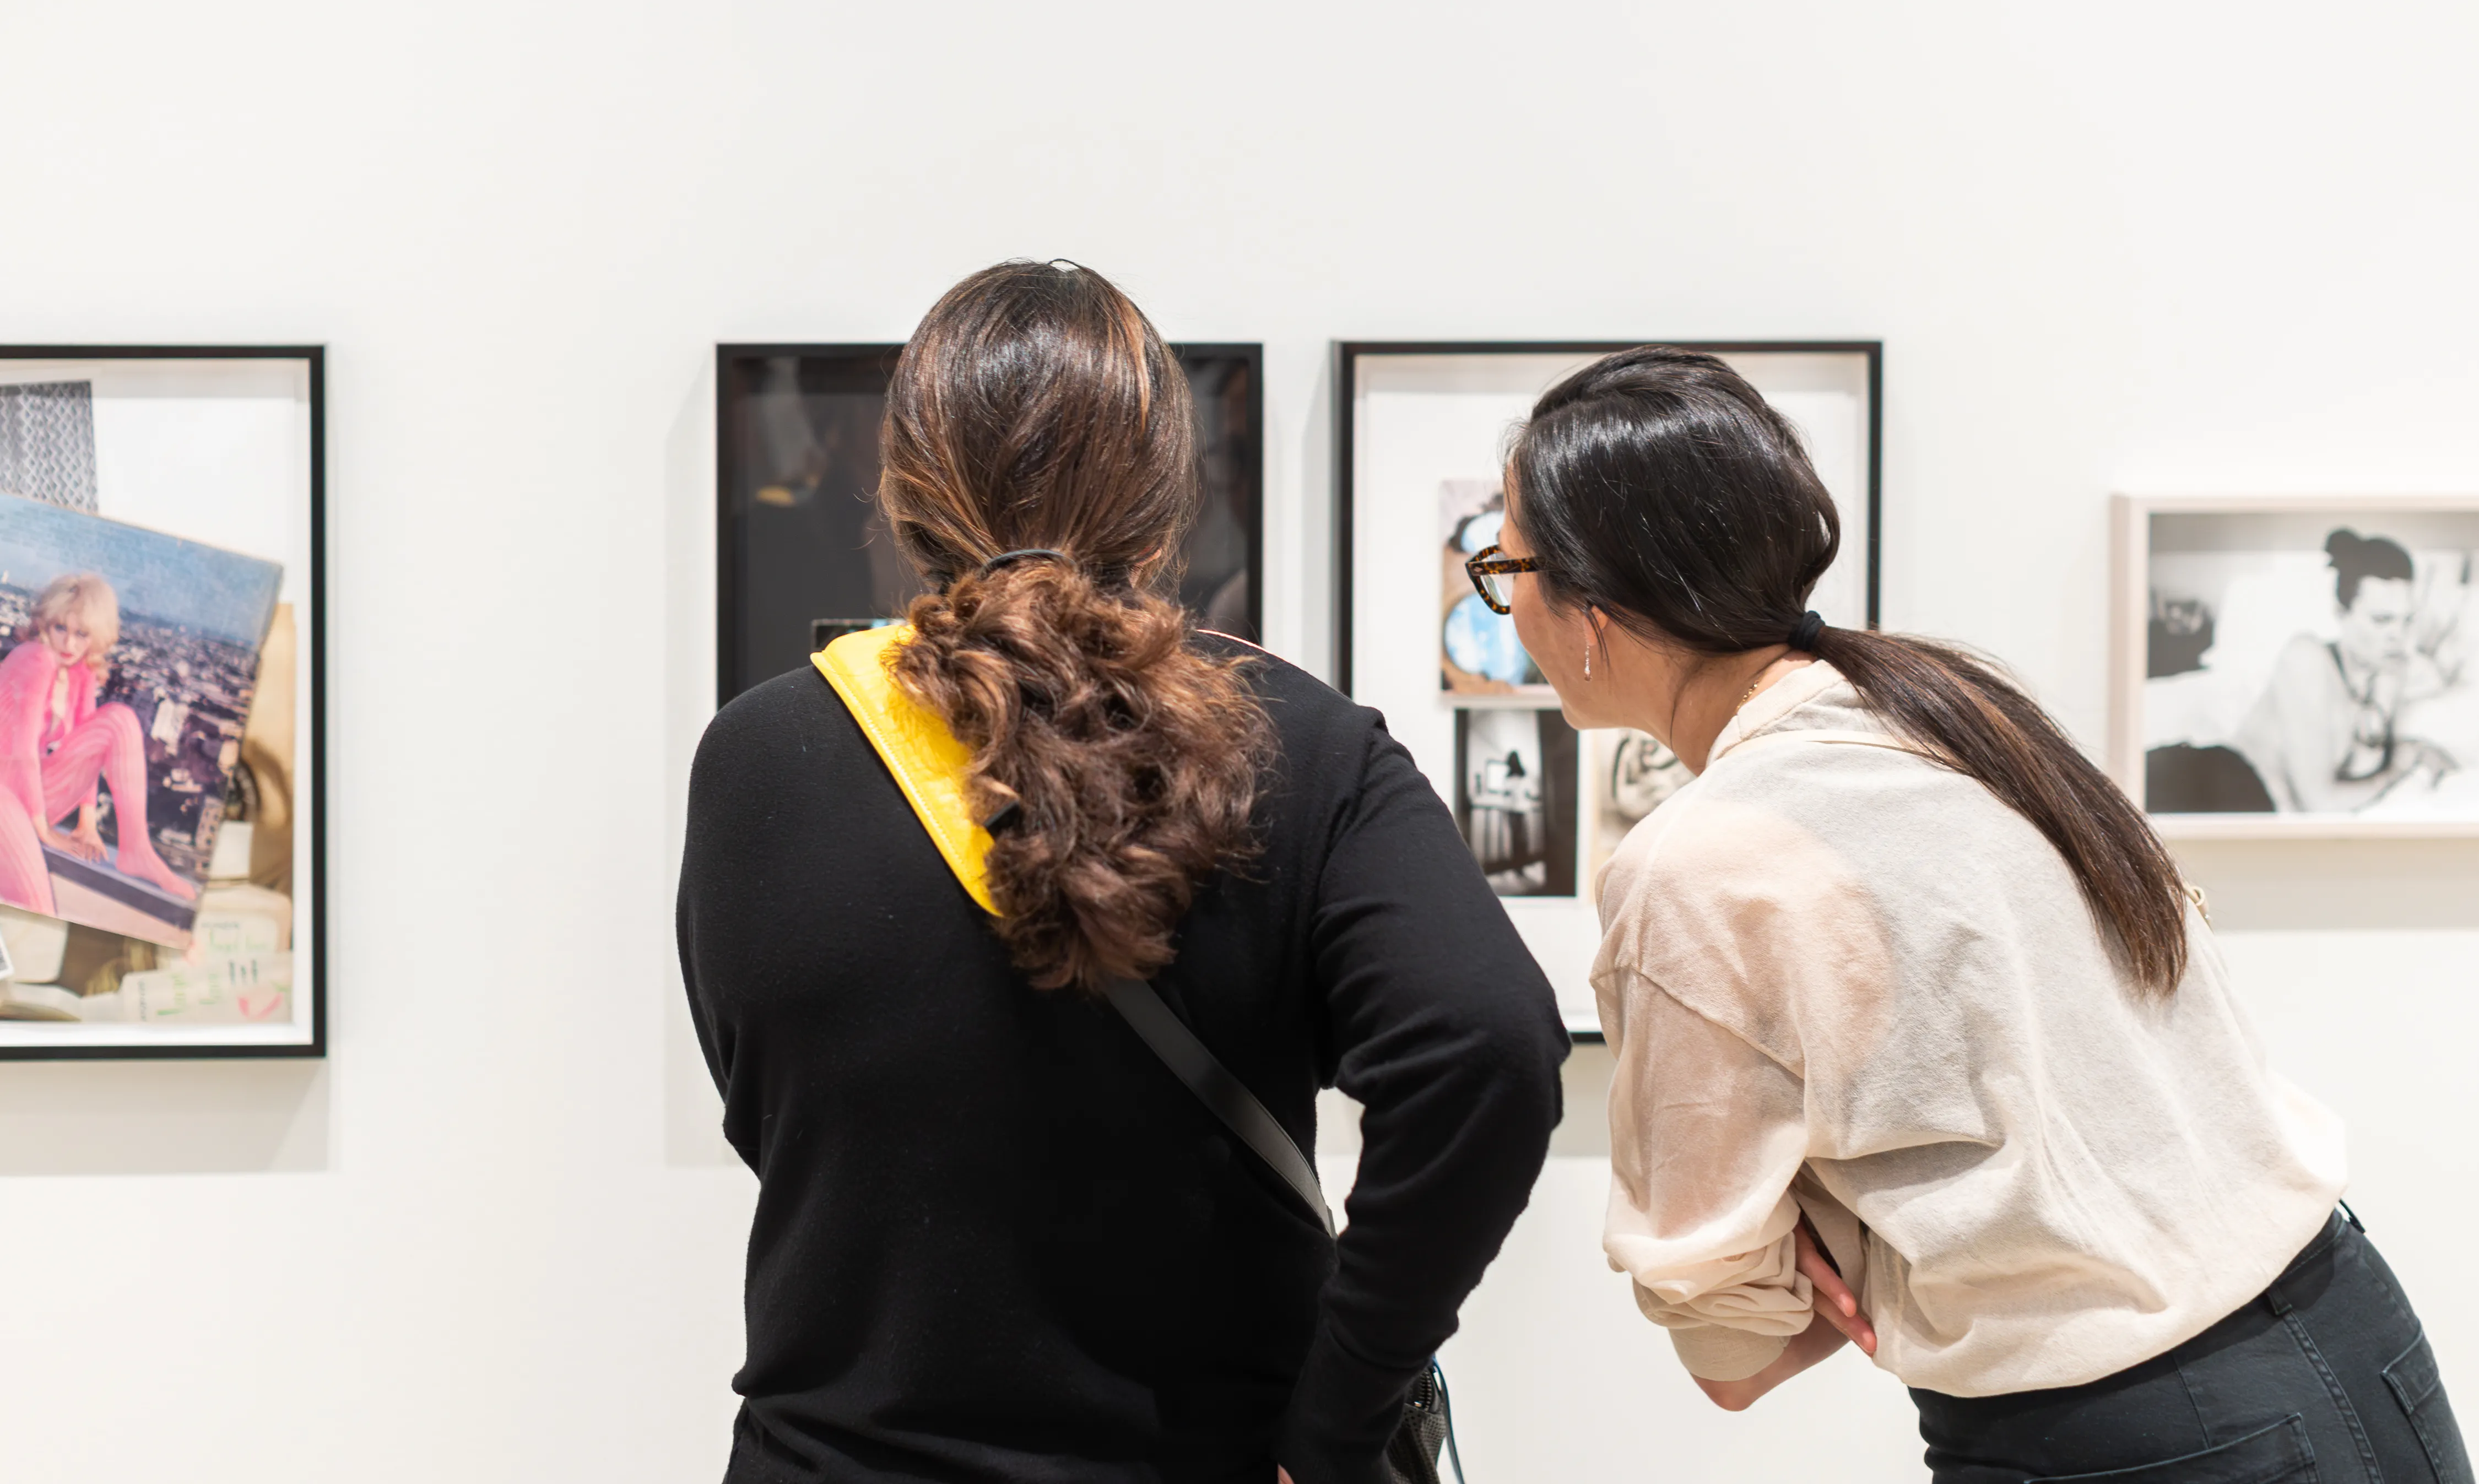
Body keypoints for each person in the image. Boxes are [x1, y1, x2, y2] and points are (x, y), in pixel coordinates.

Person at [1473, 345, 2467, 1482]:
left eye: (1510, 571)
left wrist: (1828, 1231)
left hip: (2126, 1431)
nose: (1513, 615)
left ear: (1593, 609)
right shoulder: (1955, 707)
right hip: (2355, 1326)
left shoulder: (1694, 865)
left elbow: (1732, 1349)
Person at [678, 261, 1567, 1484]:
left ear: (901, 493)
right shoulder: (1295, 741)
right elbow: (1494, 1051)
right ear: (1167, 502)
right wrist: (1343, 1412)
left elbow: (763, 1108)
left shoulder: (758, 755)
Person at [0, 571, 197, 917]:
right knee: (37, 905)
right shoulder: (36, 658)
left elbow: (89, 747)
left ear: (96, 636)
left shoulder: (80, 671)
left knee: (119, 718)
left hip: (22, 795)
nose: (69, 645)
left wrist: (87, 824)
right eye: (60, 628)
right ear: (45, 623)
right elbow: (22, 754)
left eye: (82, 634)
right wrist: (42, 829)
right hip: (7, 793)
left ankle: (137, 851)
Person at [2224, 528, 2461, 811]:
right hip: (2213, 788)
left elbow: (2362, 763)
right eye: (2382, 620)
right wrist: (2400, 766)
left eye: (2406, 621)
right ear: (2341, 613)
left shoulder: (2386, 673)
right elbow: (2320, 803)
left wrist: (2389, 699)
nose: (2398, 636)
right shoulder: (2307, 658)